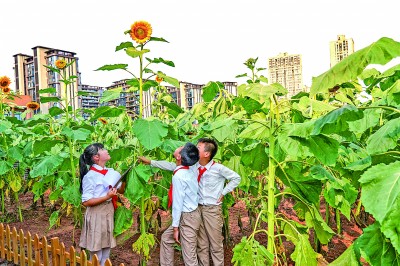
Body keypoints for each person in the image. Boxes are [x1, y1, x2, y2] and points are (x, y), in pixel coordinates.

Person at [139, 138, 241, 266]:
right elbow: (173, 166)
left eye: (198, 147)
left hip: (211, 209)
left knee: (215, 244)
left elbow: (236, 178)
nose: (194, 148)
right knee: (202, 244)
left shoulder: (218, 168)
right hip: (197, 208)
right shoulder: (193, 166)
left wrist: (223, 192)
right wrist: (151, 162)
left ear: (206, 154)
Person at [79, 143, 126, 266]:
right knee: (96, 254)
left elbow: (120, 190)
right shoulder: (90, 176)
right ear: (96, 157)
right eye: (103, 149)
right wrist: (107, 196)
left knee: (106, 251)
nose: (107, 150)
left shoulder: (110, 172)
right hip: (96, 213)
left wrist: (124, 179)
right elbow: (86, 201)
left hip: (108, 211)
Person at [158, 142, 200, 266]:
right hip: (189, 215)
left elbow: (178, 202)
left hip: (187, 217)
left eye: (182, 148)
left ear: (179, 157)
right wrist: (151, 162)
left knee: (189, 255)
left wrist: (175, 227)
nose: (181, 146)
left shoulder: (179, 176)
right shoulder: (190, 168)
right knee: (166, 239)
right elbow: (171, 166)